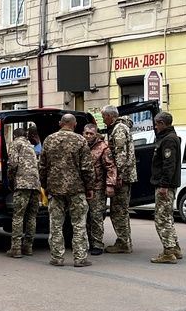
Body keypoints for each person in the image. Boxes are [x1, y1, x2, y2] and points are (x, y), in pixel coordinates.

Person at [39, 114, 93, 267]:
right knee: (79, 224)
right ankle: (80, 257)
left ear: (60, 123)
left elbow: (42, 166)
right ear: (74, 125)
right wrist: (89, 187)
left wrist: (45, 185)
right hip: (76, 189)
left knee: (56, 224)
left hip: (55, 189)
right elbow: (87, 168)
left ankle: (57, 257)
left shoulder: (49, 140)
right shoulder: (80, 140)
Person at [101, 106, 136, 254]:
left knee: (118, 211)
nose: (103, 120)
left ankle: (123, 242)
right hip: (125, 176)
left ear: (110, 116)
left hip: (122, 177)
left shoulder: (119, 129)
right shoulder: (119, 127)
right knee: (122, 210)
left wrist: (117, 177)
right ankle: (125, 240)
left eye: (104, 117)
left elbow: (120, 155)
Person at [150, 112, 182, 264]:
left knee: (161, 219)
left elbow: (169, 164)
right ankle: (174, 247)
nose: (155, 127)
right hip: (167, 185)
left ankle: (168, 251)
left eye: (157, 124)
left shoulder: (168, 140)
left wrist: (163, 185)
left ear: (162, 123)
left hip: (165, 186)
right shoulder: (169, 137)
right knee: (167, 217)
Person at [82, 123, 117, 256]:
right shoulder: (80, 145)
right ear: (83, 133)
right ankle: (88, 242)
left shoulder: (103, 148)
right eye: (87, 133)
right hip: (83, 187)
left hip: (97, 187)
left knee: (96, 216)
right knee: (84, 217)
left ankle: (97, 244)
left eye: (92, 134)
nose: (89, 136)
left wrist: (110, 184)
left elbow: (110, 167)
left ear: (96, 134)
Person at [5, 127, 41, 258]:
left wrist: (9, 181)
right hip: (35, 185)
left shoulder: (15, 144)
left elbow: (13, 164)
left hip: (22, 184)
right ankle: (28, 247)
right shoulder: (30, 146)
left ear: (15, 136)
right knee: (31, 216)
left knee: (18, 216)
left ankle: (15, 248)